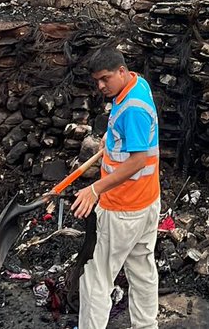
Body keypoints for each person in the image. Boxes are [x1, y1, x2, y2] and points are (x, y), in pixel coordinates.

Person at [71, 49, 160, 329]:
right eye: (97, 80)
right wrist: (111, 139)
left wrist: (94, 189)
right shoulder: (138, 84)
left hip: (123, 208)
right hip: (147, 202)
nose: (100, 86)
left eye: (105, 79)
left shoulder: (132, 108)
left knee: (96, 278)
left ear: (121, 71)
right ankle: (147, 326)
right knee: (142, 270)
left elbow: (136, 162)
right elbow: (133, 134)